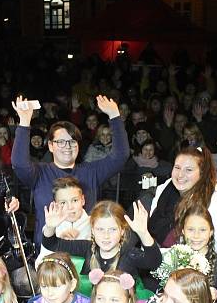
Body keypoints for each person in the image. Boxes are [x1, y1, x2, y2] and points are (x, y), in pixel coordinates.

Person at [11, 95, 130, 247]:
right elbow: (19, 164)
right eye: (60, 141)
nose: (67, 146)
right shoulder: (40, 173)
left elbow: (120, 156)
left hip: (86, 251)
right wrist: (24, 122)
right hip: (50, 255)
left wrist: (114, 116)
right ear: (50, 146)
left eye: (72, 141)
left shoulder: (90, 171)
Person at [42, 200, 162, 294]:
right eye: (100, 229)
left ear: (122, 231)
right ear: (92, 230)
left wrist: (143, 233)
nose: (106, 236)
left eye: (112, 229)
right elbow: (52, 244)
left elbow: (154, 262)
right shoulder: (87, 248)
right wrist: (50, 227)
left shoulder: (128, 253)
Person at [149, 146, 217, 254]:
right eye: (177, 167)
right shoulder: (164, 191)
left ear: (201, 173)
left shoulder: (213, 203)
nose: (180, 175)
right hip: (159, 261)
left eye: (189, 170)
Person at [165, 205, 217, 303]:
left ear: (211, 232)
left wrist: (216, 297)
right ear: (183, 231)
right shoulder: (171, 260)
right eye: (191, 229)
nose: (196, 235)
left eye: (202, 230)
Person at [35, 177, 91, 267]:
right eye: (63, 203)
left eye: (75, 200)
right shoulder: (51, 228)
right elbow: (40, 265)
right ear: (56, 204)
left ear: (83, 200)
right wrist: (59, 243)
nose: (70, 207)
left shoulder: (95, 224)